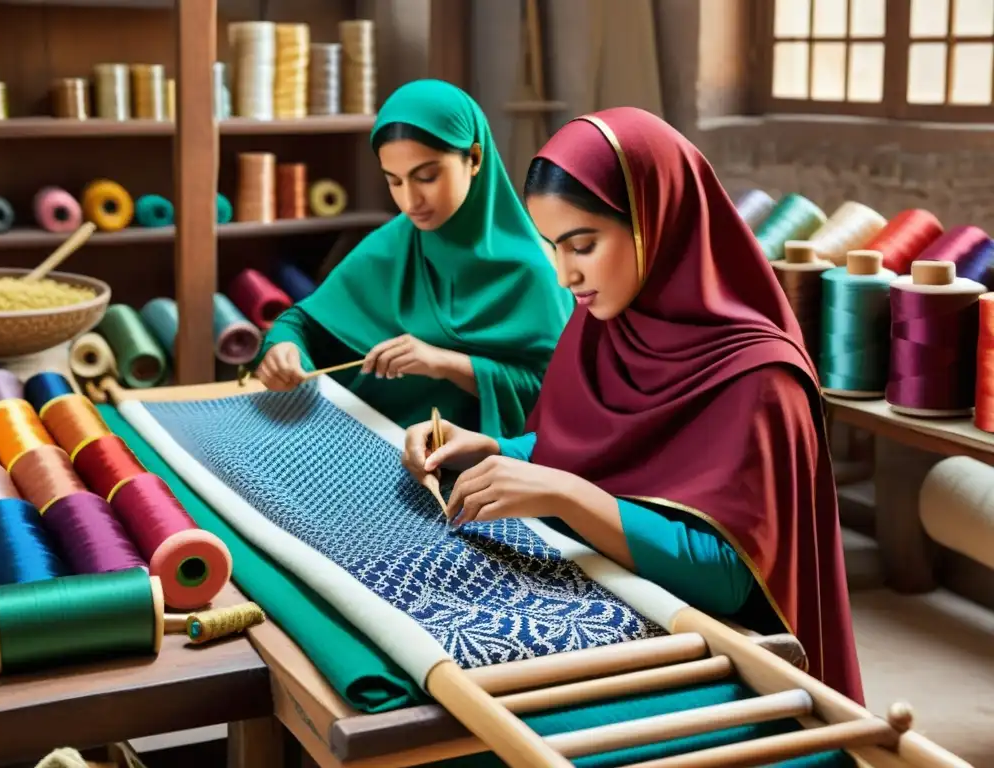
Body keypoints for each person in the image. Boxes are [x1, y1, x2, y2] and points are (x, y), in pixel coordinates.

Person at [402, 107, 864, 704]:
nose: (566, 275)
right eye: (554, 248)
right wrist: (492, 449)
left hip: (734, 669)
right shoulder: (602, 326)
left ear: (656, 220)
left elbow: (728, 577)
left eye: (583, 245)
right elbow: (577, 449)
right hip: (626, 608)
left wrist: (567, 495)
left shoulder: (761, 378)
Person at [254, 79, 573, 437]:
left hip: (469, 474)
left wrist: (446, 364)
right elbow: (301, 323)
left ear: (474, 158)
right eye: (395, 181)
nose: (410, 201)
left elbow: (559, 402)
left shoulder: (533, 272)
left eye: (427, 176)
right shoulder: (393, 243)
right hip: (357, 445)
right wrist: (283, 347)